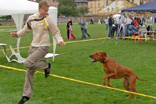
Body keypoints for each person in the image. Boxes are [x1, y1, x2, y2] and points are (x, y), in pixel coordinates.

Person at [10, 1, 65, 104]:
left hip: (43, 47)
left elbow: (55, 32)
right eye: (45, 10)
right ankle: (26, 96)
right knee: (29, 70)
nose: (46, 12)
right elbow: (26, 29)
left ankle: (45, 64)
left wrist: (59, 40)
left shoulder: (48, 19)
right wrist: (17, 35)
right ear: (39, 9)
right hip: (34, 46)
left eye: (47, 10)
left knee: (27, 63)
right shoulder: (32, 18)